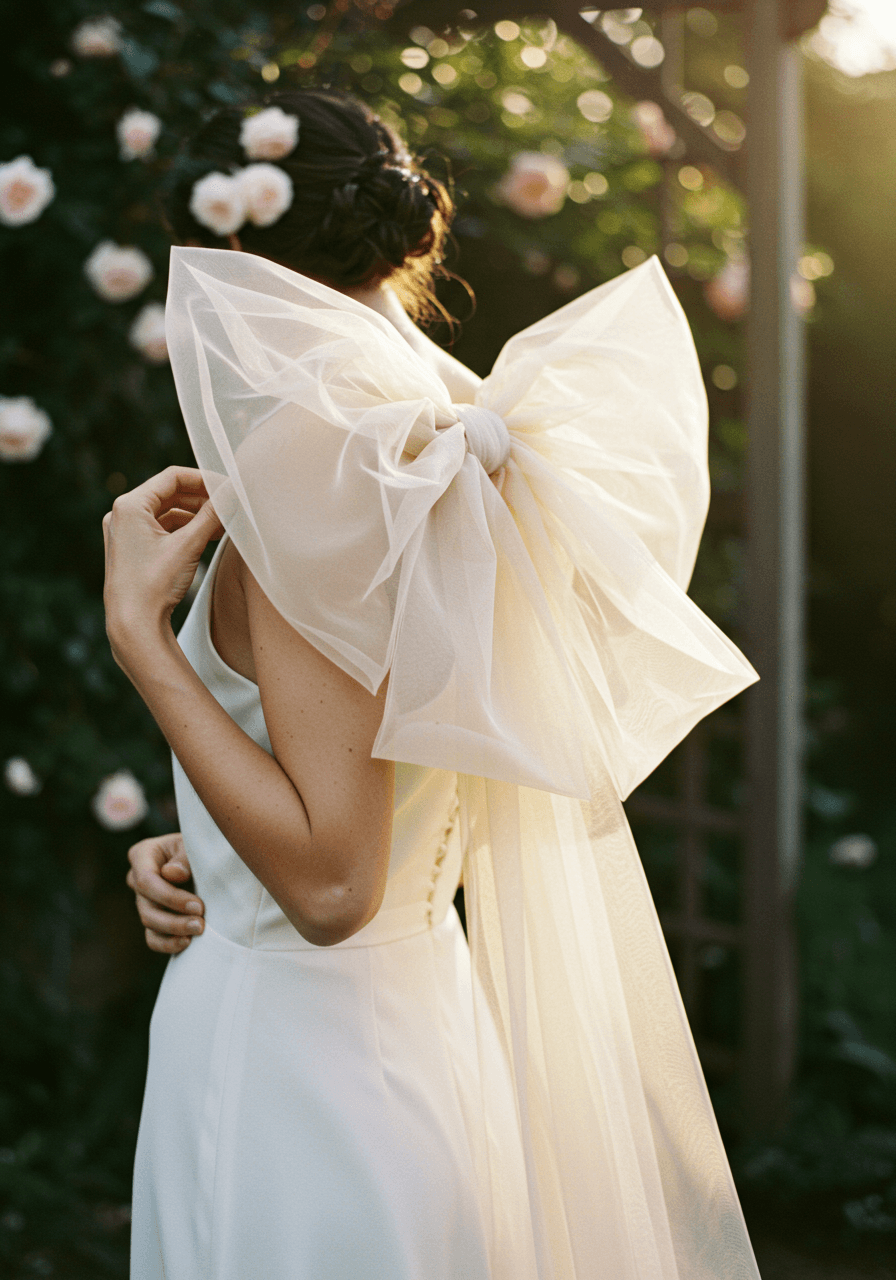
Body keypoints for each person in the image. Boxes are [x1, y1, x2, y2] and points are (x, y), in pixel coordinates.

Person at [106, 88, 763, 1279]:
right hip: (421, 1032)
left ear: (235, 256)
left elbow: (331, 880)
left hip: (295, 1074)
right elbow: (381, 791)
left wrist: (141, 638)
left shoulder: (325, 467)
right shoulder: (440, 441)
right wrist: (203, 842)